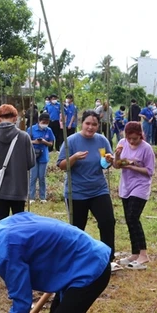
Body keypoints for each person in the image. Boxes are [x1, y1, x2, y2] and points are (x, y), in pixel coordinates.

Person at [57, 110, 116, 264]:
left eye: (94, 124)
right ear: (81, 123)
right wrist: (74, 157)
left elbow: (104, 163)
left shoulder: (102, 141)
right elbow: (62, 165)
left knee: (108, 221)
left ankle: (108, 257)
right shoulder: (71, 141)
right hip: (76, 192)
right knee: (77, 228)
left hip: (98, 189)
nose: (90, 127)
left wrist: (109, 160)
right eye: (87, 123)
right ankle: (76, 258)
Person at [113, 122, 155, 269]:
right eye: (129, 138)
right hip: (126, 185)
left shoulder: (146, 149)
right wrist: (117, 155)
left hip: (141, 186)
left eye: (135, 139)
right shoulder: (121, 143)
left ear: (140, 135)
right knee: (128, 219)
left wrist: (132, 166)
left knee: (133, 217)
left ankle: (144, 254)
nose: (131, 141)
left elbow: (149, 171)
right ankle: (135, 253)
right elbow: (116, 165)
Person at [0, 104, 35, 219]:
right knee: (19, 225)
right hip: (19, 188)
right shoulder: (24, 137)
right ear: (15, 118)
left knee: (2, 224)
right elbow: (31, 162)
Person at [28, 113, 55, 202]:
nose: (45, 124)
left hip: (43, 155)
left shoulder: (49, 130)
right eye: (44, 122)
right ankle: (31, 197)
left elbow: (51, 143)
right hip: (34, 155)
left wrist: (44, 142)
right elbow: (26, 141)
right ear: (39, 121)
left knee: (42, 177)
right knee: (33, 177)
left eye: (47, 122)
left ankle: (42, 197)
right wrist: (35, 142)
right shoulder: (31, 129)